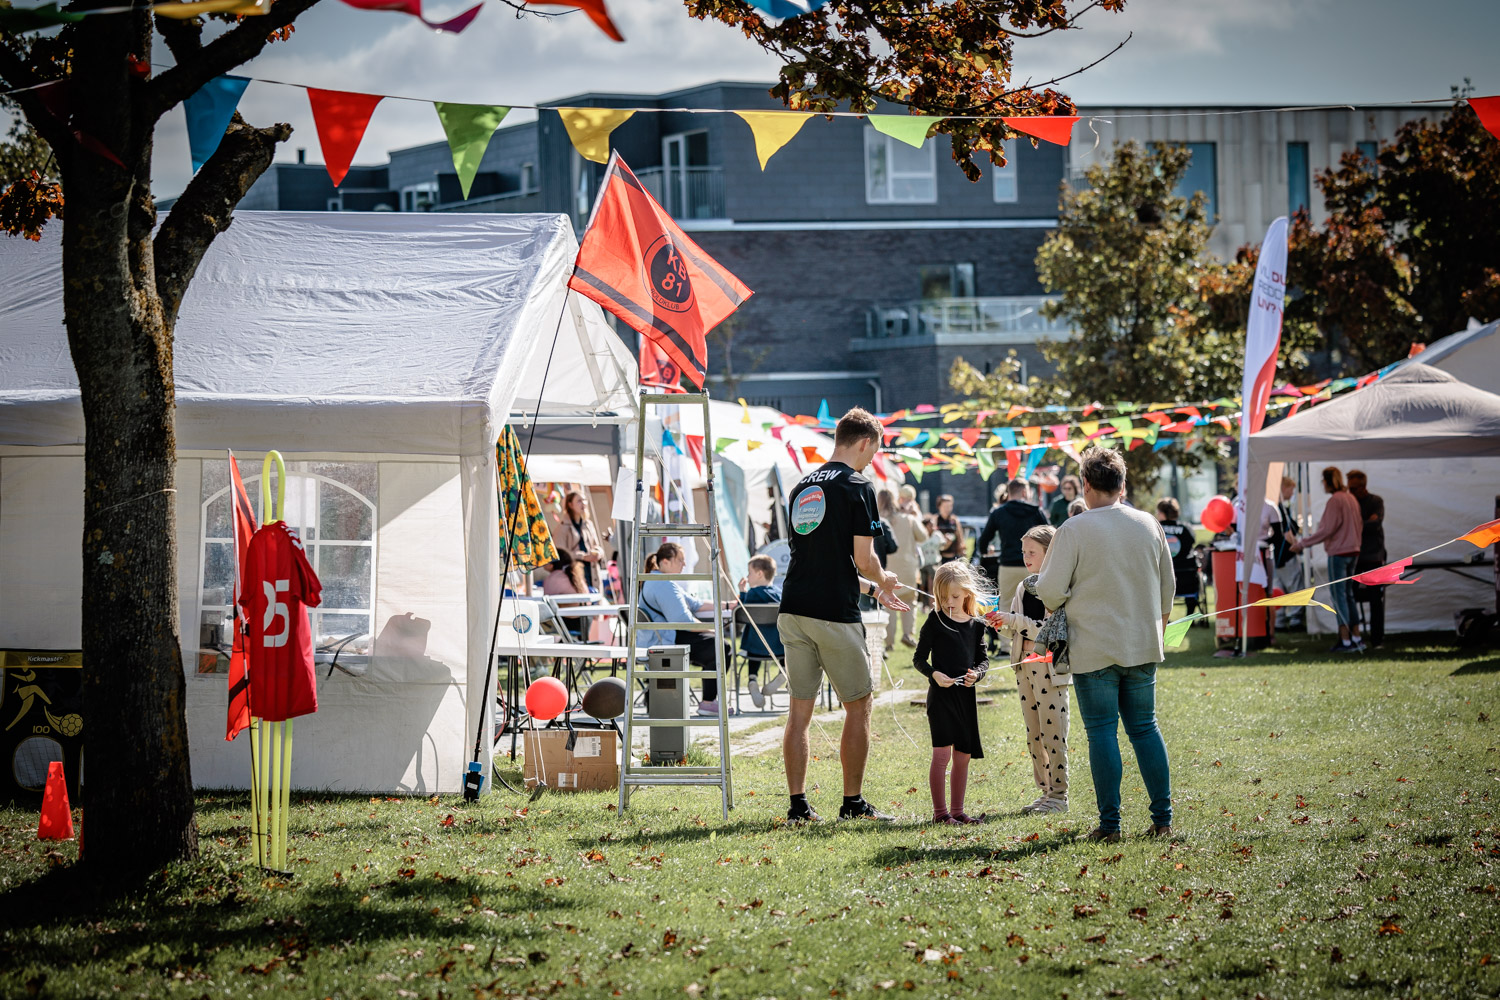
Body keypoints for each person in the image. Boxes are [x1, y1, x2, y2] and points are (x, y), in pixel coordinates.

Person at [1035, 447, 1176, 843]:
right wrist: (1157, 630)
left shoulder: (1073, 530)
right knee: (1145, 729)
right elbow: (1168, 588)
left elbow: (1048, 592)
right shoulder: (1149, 523)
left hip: (1094, 645)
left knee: (1101, 734)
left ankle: (1110, 826)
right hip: (1144, 642)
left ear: (1085, 485)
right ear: (1123, 484)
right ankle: (1162, 819)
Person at [778, 408, 910, 823]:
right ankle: (852, 803)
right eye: (877, 448)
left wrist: (871, 588)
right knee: (860, 705)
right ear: (865, 442)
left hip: (793, 608)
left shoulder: (801, 486)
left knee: (800, 712)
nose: (874, 457)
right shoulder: (858, 485)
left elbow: (824, 561)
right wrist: (883, 577)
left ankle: (798, 805)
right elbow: (863, 558)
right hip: (834, 614)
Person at [992, 524, 1069, 815]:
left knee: (1054, 732)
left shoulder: (1057, 586)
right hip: (1024, 667)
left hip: (1049, 667)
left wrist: (1012, 620)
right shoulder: (1024, 586)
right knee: (1034, 733)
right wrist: (1000, 623)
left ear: (1050, 553)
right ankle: (1045, 791)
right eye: (1023, 552)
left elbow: (1048, 631)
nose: (1025, 557)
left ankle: (1060, 795)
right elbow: (1017, 630)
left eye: (1032, 552)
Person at [913, 561, 990, 825]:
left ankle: (957, 812)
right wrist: (934, 674)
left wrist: (976, 675)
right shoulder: (935, 621)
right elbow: (919, 659)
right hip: (941, 698)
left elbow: (983, 660)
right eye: (944, 597)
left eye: (955, 597)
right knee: (942, 755)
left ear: (967, 593)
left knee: (963, 755)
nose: (949, 602)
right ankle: (940, 814)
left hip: (965, 698)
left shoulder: (976, 624)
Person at [638, 542, 737, 716]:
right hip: (667, 641)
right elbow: (682, 620)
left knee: (716, 645)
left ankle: (709, 701)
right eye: (680, 560)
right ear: (665, 562)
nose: (684, 564)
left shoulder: (659, 580)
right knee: (721, 647)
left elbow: (695, 604)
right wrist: (711, 629)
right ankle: (708, 702)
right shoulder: (663, 584)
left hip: (663, 637)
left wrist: (728, 604)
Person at [1290, 467, 1364, 653]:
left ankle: (1345, 639)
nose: (1322, 484)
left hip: (1339, 553)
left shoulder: (1336, 500)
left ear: (1329, 481)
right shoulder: (1351, 499)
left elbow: (1326, 529)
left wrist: (1302, 544)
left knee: (1339, 596)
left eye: (1323, 481)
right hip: (1353, 552)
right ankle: (1356, 636)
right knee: (1348, 595)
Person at [976, 477, 1049, 631]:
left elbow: (984, 539)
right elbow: (1049, 535)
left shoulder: (999, 512)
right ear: (1024, 491)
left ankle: (1004, 645)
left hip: (1007, 564)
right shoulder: (1036, 511)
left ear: (1008, 492)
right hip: (1034, 565)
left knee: (1006, 602)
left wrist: (984, 552)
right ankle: (1034, 637)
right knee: (1037, 602)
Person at [879, 488, 928, 649]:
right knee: (909, 601)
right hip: (908, 568)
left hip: (885, 569)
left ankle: (889, 642)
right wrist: (915, 516)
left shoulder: (878, 519)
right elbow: (923, 536)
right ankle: (908, 634)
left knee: (888, 604)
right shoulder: (908, 518)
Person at [737, 554, 786, 709]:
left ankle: (752, 679)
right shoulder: (780, 594)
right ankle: (783, 672)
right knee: (783, 643)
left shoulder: (752, 593)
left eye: (749, 573)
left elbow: (743, 612)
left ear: (759, 574)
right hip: (778, 649)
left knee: (754, 640)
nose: (747, 576)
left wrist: (742, 592)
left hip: (754, 648)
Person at [1347, 470, 1387, 648]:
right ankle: (1353, 636)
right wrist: (1364, 522)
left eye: (1353, 488)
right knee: (1349, 596)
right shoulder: (1349, 502)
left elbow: (1375, 523)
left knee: (1375, 600)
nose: (1351, 492)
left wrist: (1358, 523)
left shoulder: (1375, 501)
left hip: (1373, 557)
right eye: (1349, 488)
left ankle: (1377, 639)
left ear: (1363, 487)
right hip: (1355, 557)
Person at [1155, 498, 1200, 617]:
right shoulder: (1186, 529)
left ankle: (1164, 619)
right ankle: (1189, 615)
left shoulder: (1156, 528)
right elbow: (1192, 542)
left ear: (1162, 513)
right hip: (1187, 580)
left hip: (1162, 581)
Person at [552, 491, 605, 591]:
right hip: (574, 576)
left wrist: (598, 553)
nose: (584, 503)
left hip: (592, 573)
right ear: (570, 504)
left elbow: (597, 545)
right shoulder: (562, 527)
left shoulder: (588, 524)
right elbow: (560, 555)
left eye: (584, 500)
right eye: (579, 501)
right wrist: (583, 557)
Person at [1272, 476, 1304, 629]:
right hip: (1285, 554)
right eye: (1291, 489)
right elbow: (1287, 534)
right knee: (1294, 585)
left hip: (1276, 555)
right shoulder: (1279, 509)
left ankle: (1279, 620)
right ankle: (1295, 619)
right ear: (1284, 488)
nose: (1292, 493)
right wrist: (1299, 545)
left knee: (1279, 587)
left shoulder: (1275, 507)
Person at [934, 495, 965, 564]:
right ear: (939, 506)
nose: (947, 509)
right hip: (939, 558)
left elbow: (960, 537)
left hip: (954, 557)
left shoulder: (954, 520)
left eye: (949, 506)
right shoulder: (935, 520)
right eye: (945, 506)